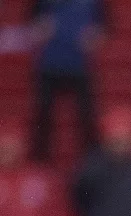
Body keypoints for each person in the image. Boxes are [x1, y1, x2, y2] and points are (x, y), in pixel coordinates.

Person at [29, 0, 108, 161]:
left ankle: (92, 159)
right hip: (48, 65)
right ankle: (40, 160)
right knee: (43, 113)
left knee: (86, 114)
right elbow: (31, 23)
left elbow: (105, 26)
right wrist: (39, 29)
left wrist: (95, 36)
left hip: (80, 65)